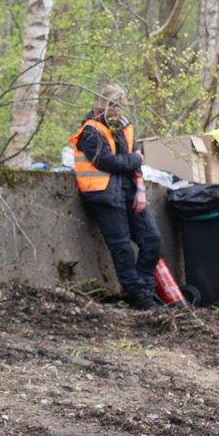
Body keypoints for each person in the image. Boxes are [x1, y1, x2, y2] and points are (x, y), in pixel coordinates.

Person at [68, 84, 161, 310]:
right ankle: (139, 296)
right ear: (101, 105)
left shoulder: (125, 127)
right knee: (121, 248)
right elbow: (108, 162)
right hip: (104, 194)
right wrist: (136, 160)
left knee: (152, 240)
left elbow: (132, 159)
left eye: (119, 106)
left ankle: (144, 289)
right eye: (113, 106)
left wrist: (140, 189)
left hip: (129, 191)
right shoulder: (90, 130)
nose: (116, 110)